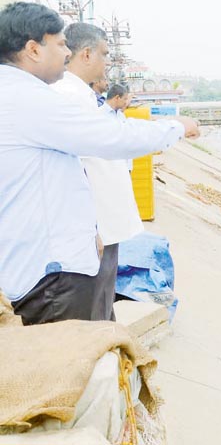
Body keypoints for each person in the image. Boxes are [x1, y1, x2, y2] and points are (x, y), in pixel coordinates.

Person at [0, 2, 199, 325]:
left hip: (43, 261)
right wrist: (175, 128)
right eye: (61, 43)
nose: (67, 53)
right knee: (70, 359)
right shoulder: (32, 100)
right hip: (49, 276)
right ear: (33, 49)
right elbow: (110, 137)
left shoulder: (20, 94)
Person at [52, 23, 146, 322]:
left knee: (103, 299)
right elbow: (70, 169)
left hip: (104, 223)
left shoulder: (82, 95)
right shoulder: (68, 95)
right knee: (95, 304)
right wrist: (89, 228)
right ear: (87, 54)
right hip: (96, 227)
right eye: (105, 54)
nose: (108, 62)